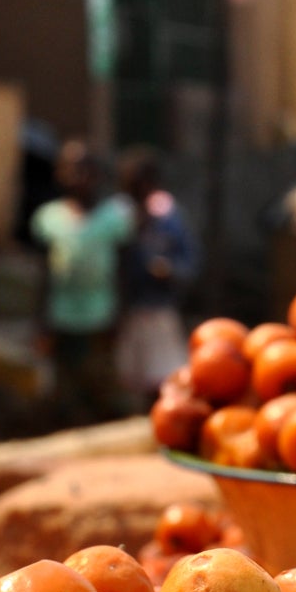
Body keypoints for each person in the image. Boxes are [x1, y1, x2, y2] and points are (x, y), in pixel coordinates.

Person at [29, 140, 136, 422]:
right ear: (60, 173)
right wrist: (41, 323)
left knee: (104, 391)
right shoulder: (49, 218)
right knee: (64, 397)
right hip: (62, 319)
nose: (79, 177)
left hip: (101, 317)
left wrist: (121, 315)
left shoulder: (114, 217)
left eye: (86, 169)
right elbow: (45, 273)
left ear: (98, 174)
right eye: (72, 169)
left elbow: (124, 269)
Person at [115, 145, 200, 403]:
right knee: (128, 381)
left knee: (165, 380)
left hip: (158, 311)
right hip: (126, 313)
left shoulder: (168, 218)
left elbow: (190, 263)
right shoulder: (119, 216)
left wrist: (169, 271)